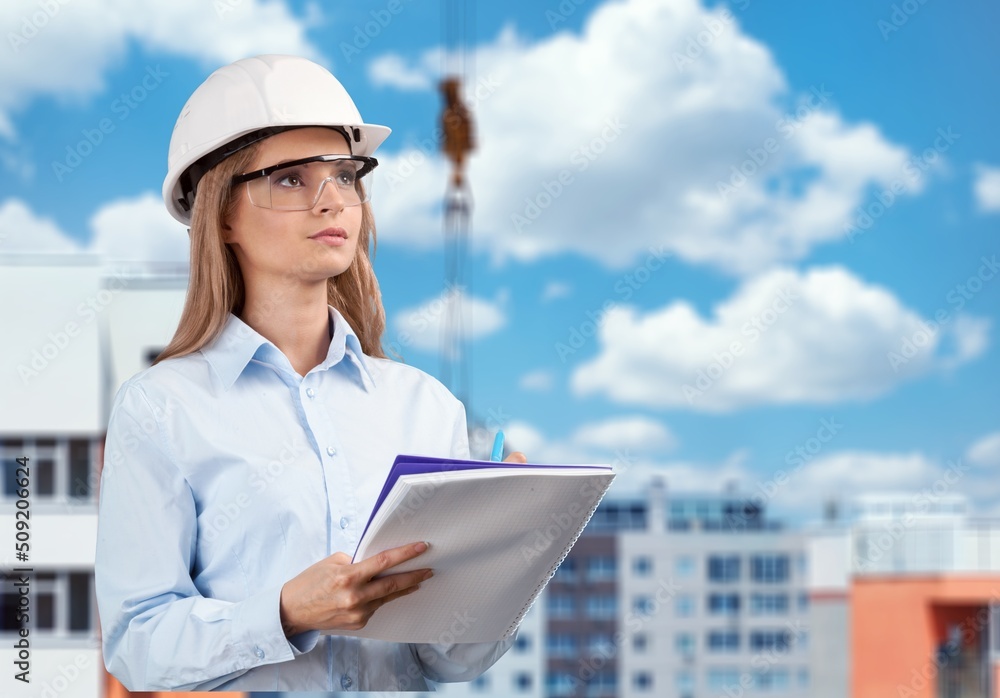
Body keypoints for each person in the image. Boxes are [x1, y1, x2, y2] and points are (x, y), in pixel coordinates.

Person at [95, 54, 523, 692]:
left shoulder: (425, 407)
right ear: (222, 215)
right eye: (291, 180)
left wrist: (502, 563)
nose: (332, 201)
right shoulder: (162, 409)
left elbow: (446, 660)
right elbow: (138, 645)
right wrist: (287, 612)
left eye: (346, 175)